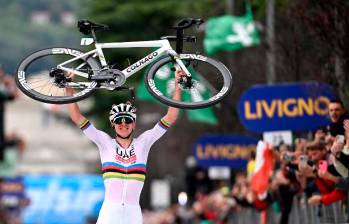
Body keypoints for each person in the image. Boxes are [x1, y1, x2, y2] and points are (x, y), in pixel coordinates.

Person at [66, 70, 183, 224]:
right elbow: (77, 117)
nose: (123, 124)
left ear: (133, 124)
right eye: (119, 121)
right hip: (110, 211)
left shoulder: (144, 143)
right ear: (113, 124)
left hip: (133, 212)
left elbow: (171, 117)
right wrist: (68, 88)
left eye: (127, 120)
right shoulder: (105, 142)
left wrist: (177, 86)